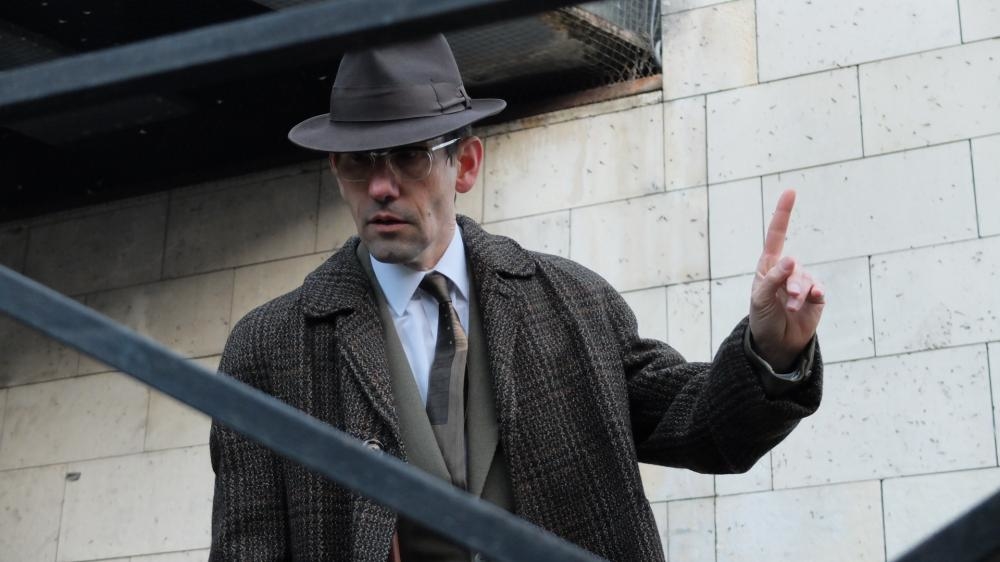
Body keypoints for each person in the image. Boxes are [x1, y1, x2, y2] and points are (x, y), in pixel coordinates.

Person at [209, 34, 825, 562]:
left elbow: (702, 427)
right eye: (357, 162)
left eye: (408, 158)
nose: (380, 186)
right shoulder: (270, 348)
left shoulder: (573, 301)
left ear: (466, 164)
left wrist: (769, 351)